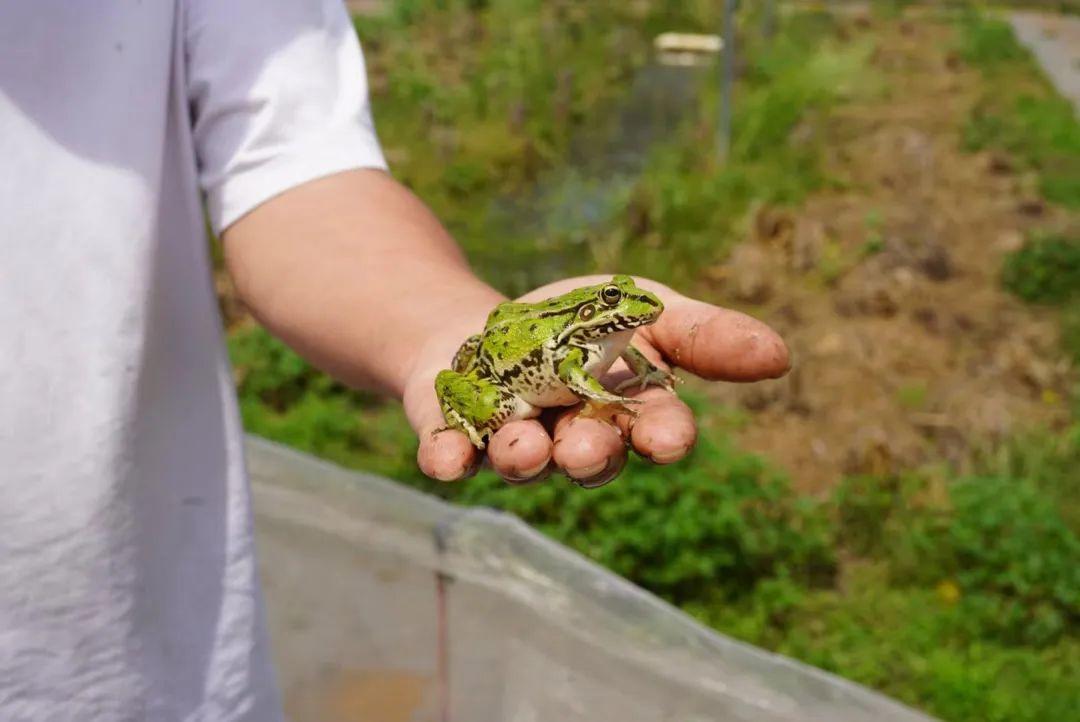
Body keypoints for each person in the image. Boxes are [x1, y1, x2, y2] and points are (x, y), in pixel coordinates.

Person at [0, 1, 789, 720]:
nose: (629, 315)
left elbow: (293, 168)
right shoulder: (581, 349)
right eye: (617, 310)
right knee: (502, 407)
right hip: (77, 629)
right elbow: (582, 380)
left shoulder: (602, 335)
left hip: (148, 662)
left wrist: (438, 326)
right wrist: (601, 398)